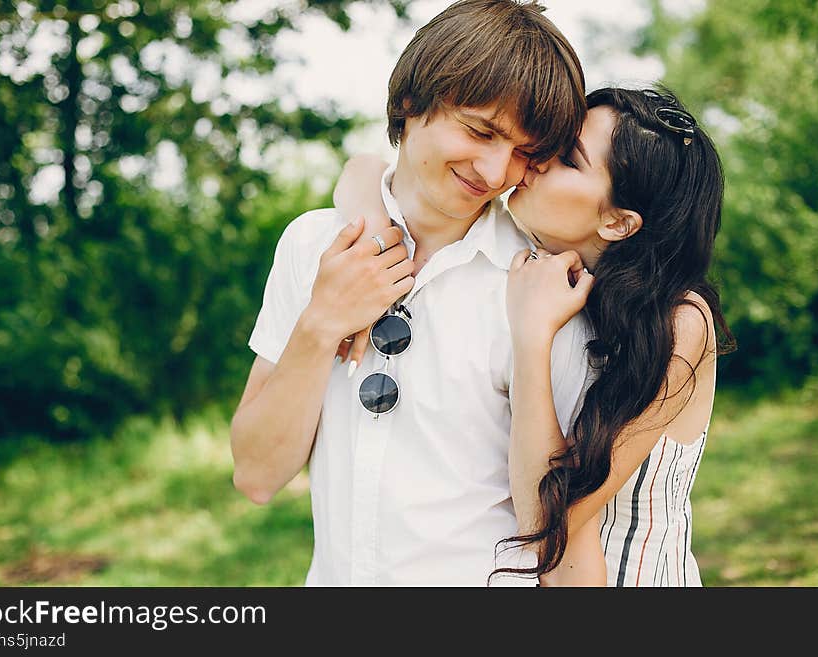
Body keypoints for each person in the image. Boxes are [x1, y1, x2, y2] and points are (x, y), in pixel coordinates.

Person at [229, 0, 591, 585]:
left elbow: (558, 523)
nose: (497, 171)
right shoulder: (313, 244)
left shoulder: (538, 281)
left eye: (525, 152)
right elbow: (256, 475)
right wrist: (322, 322)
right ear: (410, 102)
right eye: (480, 131)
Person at [335, 86, 735, 586]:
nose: (538, 161)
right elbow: (374, 169)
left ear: (617, 222)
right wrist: (374, 228)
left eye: (568, 158)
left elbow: (547, 519)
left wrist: (532, 339)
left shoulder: (678, 322)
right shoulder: (538, 266)